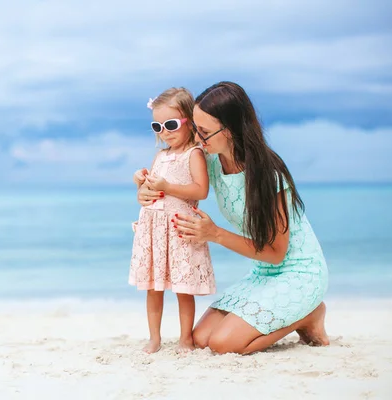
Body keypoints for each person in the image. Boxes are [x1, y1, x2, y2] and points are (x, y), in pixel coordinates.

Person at [134, 81, 329, 355]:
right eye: (195, 128)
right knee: (201, 338)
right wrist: (144, 191)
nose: (197, 138)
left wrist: (214, 234)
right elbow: (176, 182)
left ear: (230, 129)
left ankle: (309, 315)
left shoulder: (268, 175)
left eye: (203, 131)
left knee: (224, 344)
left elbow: (276, 254)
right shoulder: (211, 161)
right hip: (262, 274)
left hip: (297, 273)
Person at [129, 87, 216, 354]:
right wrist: (142, 185)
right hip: (154, 229)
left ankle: (185, 339)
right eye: (157, 125)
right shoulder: (161, 156)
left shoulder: (194, 154)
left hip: (179, 228)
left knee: (182, 288)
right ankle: (154, 338)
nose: (164, 131)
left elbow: (200, 190)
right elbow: (152, 194)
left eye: (170, 124)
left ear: (190, 121)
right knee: (153, 288)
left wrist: (167, 186)